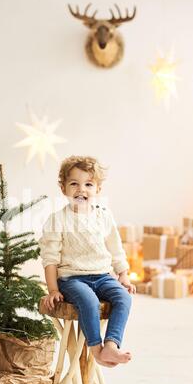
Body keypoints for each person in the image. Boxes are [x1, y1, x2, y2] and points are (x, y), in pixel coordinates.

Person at [38, 155, 136, 367]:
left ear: (97, 189)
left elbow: (115, 248)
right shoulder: (57, 220)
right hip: (72, 279)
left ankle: (111, 345)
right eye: (74, 184)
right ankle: (96, 349)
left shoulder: (103, 216)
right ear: (63, 188)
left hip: (102, 275)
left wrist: (123, 275)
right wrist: (53, 289)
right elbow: (50, 259)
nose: (81, 190)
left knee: (124, 298)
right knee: (89, 301)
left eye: (88, 184)